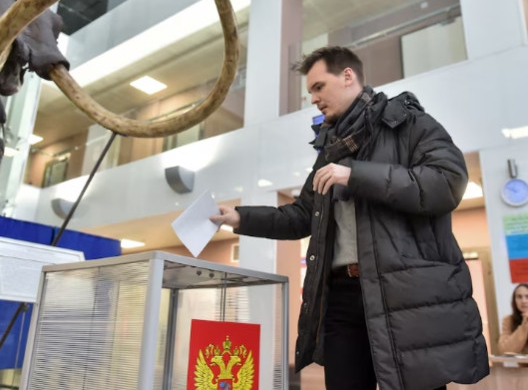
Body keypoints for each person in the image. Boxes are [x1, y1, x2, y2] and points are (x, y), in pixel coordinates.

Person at [211, 46, 489, 390]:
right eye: (309, 91)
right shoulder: (330, 150)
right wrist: (239, 218)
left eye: (318, 87)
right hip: (341, 298)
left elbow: (446, 183)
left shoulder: (410, 123)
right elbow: (301, 216)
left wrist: (355, 175)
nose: (312, 98)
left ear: (347, 76)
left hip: (406, 296)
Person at [498, 283, 528, 354]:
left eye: (527, 296)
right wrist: (524, 325)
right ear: (514, 301)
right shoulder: (508, 320)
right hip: (522, 365)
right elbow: (504, 350)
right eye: (519, 297)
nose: (523, 301)